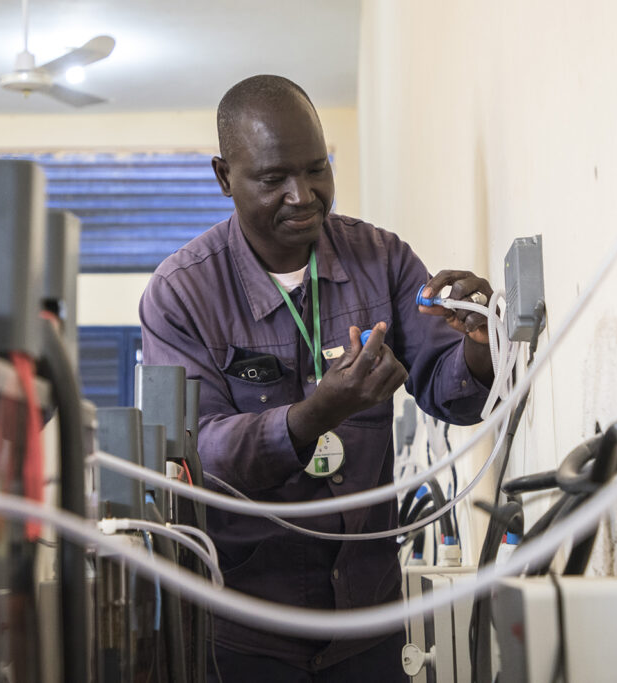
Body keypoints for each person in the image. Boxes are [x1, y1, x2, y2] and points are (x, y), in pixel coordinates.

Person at [139, 74, 496, 682]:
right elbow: (200, 462)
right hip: (246, 635)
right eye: (273, 179)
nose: (302, 196)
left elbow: (449, 390)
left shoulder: (381, 260)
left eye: (316, 169)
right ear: (225, 176)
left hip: (369, 625)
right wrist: (314, 416)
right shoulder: (181, 295)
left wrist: (483, 347)